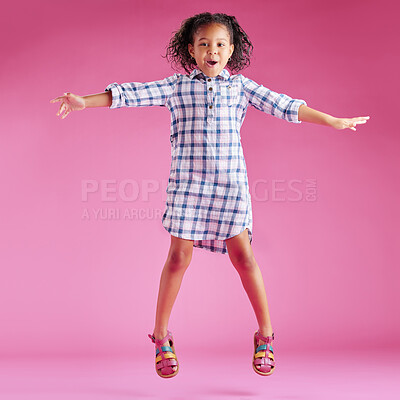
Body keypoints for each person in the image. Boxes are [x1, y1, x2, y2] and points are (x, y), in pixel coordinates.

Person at [50, 12, 370, 378]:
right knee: (177, 259)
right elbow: (130, 94)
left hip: (230, 186)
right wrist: (83, 102)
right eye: (204, 44)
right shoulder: (176, 87)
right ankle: (160, 338)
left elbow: (286, 106)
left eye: (220, 44)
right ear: (191, 50)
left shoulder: (242, 88)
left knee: (245, 259)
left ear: (231, 50)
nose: (212, 51)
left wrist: (331, 119)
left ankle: (265, 336)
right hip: (188, 185)